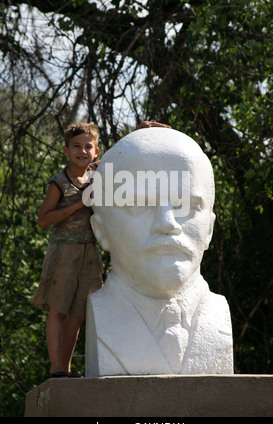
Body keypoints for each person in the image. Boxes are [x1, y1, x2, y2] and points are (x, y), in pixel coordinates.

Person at [85, 127, 233, 376]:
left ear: (209, 228)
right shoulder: (100, 315)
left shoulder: (218, 315)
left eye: (185, 205)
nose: (167, 223)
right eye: (139, 204)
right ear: (100, 230)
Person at [32, 122, 103, 378]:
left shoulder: (97, 175)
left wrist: (144, 128)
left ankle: (67, 369)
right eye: (76, 146)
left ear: (96, 152)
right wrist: (77, 204)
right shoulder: (59, 182)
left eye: (88, 146)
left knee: (78, 315)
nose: (82, 151)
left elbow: (124, 154)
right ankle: (56, 368)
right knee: (59, 311)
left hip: (89, 253)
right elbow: (43, 220)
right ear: (65, 150)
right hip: (63, 252)